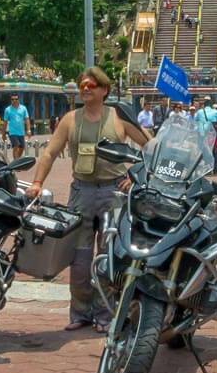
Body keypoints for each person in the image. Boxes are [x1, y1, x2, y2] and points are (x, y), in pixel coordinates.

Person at [26, 67, 150, 332]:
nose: (85, 89)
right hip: (81, 192)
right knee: (79, 259)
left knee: (108, 258)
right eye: (83, 85)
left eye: (91, 85)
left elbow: (150, 147)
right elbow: (48, 153)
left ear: (104, 90)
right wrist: (37, 183)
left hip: (113, 193)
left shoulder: (119, 118)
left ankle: (105, 315)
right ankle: (80, 313)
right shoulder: (70, 119)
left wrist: (135, 177)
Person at [3, 93, 31, 159]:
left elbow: (27, 119)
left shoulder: (23, 108)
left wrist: (28, 130)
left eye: (16, 99)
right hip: (12, 132)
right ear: (11, 100)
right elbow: (5, 122)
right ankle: (16, 163)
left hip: (21, 132)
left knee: (22, 147)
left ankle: (17, 160)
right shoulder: (7, 110)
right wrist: (3, 133)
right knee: (16, 146)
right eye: (12, 99)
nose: (14, 100)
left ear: (18, 99)